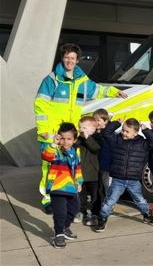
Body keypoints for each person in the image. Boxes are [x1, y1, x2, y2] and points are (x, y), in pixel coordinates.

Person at [34, 43, 127, 213]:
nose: (69, 61)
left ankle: (67, 196)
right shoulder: (51, 80)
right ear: (62, 58)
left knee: (71, 166)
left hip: (71, 134)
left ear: (77, 61)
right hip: (52, 133)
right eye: (66, 57)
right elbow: (40, 105)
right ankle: (48, 199)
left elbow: (97, 90)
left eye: (72, 58)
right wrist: (43, 130)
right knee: (50, 167)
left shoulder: (82, 81)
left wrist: (114, 92)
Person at [95, 118, 153, 232]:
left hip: (133, 179)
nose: (124, 133)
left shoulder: (142, 143)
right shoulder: (116, 140)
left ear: (135, 133)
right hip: (118, 179)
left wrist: (146, 130)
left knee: (139, 199)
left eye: (127, 131)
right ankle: (103, 218)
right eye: (123, 130)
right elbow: (106, 133)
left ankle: (147, 215)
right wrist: (117, 123)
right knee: (110, 200)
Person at [42, 123, 83, 249]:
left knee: (75, 209)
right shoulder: (56, 151)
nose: (65, 141)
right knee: (60, 212)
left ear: (74, 140)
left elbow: (78, 168)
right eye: (63, 138)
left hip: (71, 187)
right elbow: (46, 156)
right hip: (57, 187)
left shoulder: (76, 152)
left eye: (69, 139)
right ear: (59, 138)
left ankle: (65, 227)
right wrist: (54, 144)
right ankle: (58, 233)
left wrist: (79, 182)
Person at [76, 116, 101, 226]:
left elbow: (96, 148)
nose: (81, 130)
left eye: (84, 128)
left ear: (93, 129)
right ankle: (82, 212)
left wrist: (87, 138)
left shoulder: (97, 137)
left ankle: (95, 214)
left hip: (94, 174)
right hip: (81, 174)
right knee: (81, 195)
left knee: (95, 196)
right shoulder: (79, 140)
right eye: (80, 127)